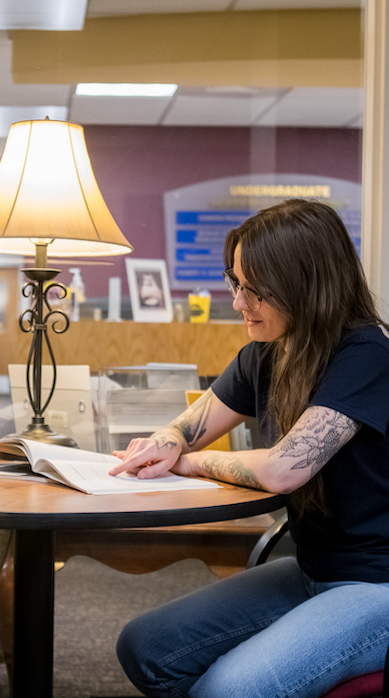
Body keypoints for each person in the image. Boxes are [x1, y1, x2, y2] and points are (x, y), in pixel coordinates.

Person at [110, 199, 389, 698]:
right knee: (145, 647)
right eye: (235, 282)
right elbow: (188, 427)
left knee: (224, 690)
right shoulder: (264, 353)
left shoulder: (367, 355)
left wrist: (188, 460)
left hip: (377, 586)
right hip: (312, 569)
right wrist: (167, 441)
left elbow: (285, 469)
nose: (238, 303)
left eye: (253, 290)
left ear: (305, 286)